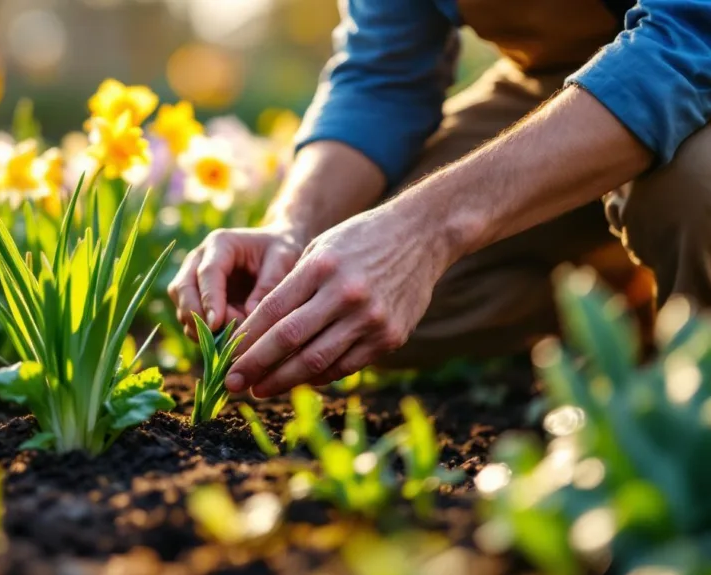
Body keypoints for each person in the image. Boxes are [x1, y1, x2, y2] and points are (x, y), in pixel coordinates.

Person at [167, 0, 711, 398]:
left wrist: (426, 229)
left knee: (695, 188)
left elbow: (688, 40)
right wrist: (293, 227)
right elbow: (383, 77)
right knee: (358, 292)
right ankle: (623, 314)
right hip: (570, 79)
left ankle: (690, 393)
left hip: (687, 50)